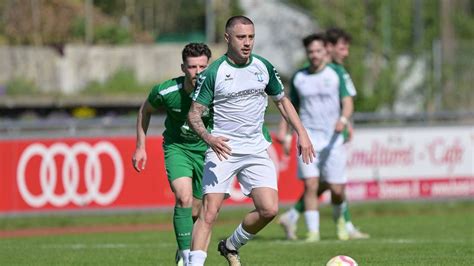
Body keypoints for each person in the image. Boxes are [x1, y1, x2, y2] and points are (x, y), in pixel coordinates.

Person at [187, 16, 315, 266]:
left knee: (269, 210)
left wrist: (302, 133)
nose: (247, 43)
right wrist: (209, 138)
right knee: (209, 212)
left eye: (251, 37)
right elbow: (194, 114)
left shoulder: (263, 67)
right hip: (223, 148)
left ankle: (230, 246)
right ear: (227, 38)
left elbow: (282, 101)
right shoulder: (214, 72)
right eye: (241, 37)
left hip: (256, 148)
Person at [278, 29, 369, 242]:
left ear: (324, 51)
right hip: (308, 139)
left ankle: (341, 224)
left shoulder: (336, 73)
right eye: (311, 51)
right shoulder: (300, 77)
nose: (315, 55)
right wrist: (288, 134)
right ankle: (313, 233)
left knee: (336, 188)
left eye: (318, 50)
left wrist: (344, 121)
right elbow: (289, 107)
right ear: (308, 53)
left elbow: (347, 103)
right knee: (310, 184)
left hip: (333, 140)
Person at [132, 43, 212, 266]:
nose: (197, 72)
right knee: (183, 197)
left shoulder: (216, 92)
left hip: (206, 152)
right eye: (192, 67)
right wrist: (141, 146)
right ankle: (188, 259)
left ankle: (183, 247)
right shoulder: (166, 91)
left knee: (199, 211)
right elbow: (145, 110)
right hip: (178, 148)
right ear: (183, 67)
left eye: (202, 67)